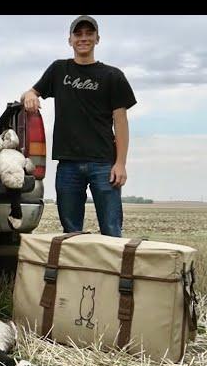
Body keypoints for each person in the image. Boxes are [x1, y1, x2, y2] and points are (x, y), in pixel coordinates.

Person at [22, 15, 137, 237]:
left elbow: (120, 122)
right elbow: (32, 92)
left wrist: (120, 163)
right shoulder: (59, 70)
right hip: (68, 165)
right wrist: (28, 95)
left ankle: (112, 271)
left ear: (97, 39)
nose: (83, 38)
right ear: (70, 40)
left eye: (89, 34)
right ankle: (78, 272)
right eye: (78, 34)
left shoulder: (113, 76)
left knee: (112, 230)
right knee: (71, 232)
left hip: (104, 164)